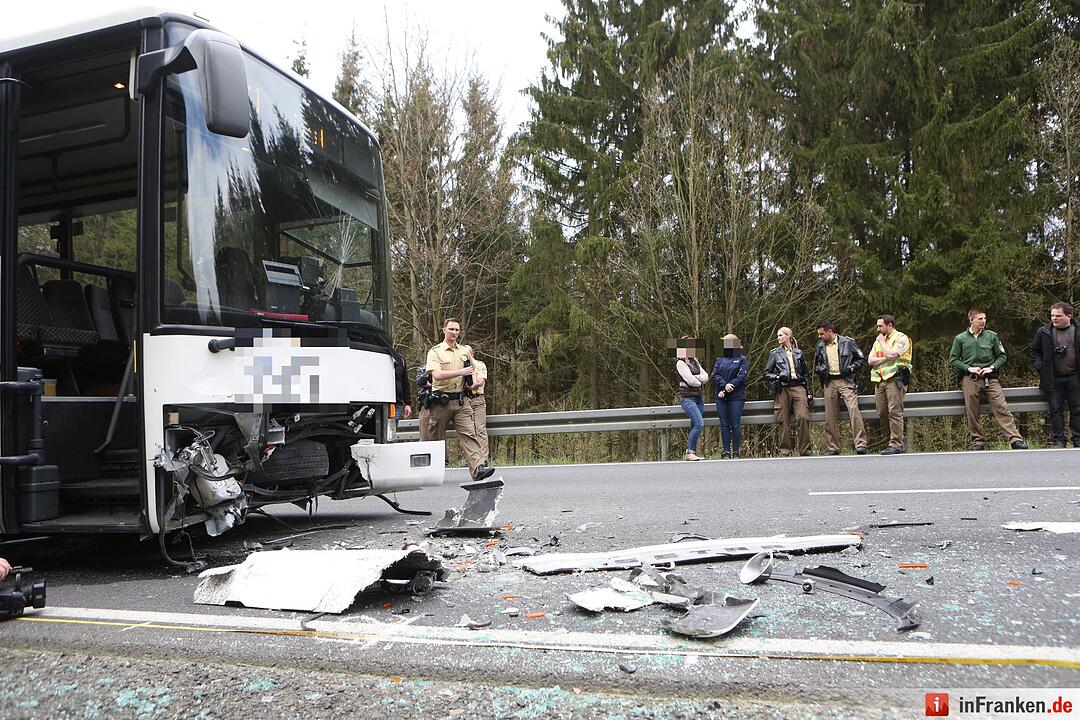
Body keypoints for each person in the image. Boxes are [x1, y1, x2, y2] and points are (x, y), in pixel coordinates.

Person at [425, 318, 495, 480]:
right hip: (441, 401)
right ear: (444, 330)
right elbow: (436, 375)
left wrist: (472, 383)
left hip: (461, 401)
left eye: (457, 330)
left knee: (469, 434)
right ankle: (431, 471)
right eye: (451, 329)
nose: (454, 333)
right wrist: (459, 373)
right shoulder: (435, 351)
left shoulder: (464, 350)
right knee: (436, 438)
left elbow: (473, 370)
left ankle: (478, 469)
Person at [949, 308, 1027, 450]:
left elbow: (1002, 356)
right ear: (971, 320)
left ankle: (1015, 439)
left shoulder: (992, 336)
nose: (983, 321)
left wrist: (992, 367)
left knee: (1001, 407)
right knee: (972, 410)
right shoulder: (960, 338)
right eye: (980, 319)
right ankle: (977, 440)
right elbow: (953, 359)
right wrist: (968, 368)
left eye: (984, 318)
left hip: (990, 377)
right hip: (970, 377)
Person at [1030, 301, 1080, 448]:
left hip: (1075, 376)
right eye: (1052, 315)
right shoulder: (1044, 332)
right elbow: (1034, 352)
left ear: (1069, 316)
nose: (1054, 318)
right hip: (1053, 377)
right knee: (1055, 409)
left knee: (1077, 408)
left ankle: (1077, 438)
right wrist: (1041, 368)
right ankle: (1059, 440)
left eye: (1058, 316)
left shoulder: (1077, 330)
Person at [814, 321, 867, 455]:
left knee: (853, 409)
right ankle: (833, 447)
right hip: (829, 381)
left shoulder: (847, 342)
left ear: (830, 331)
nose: (819, 336)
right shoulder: (819, 346)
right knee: (830, 415)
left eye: (821, 334)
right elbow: (817, 364)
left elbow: (861, 359)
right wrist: (820, 371)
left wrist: (851, 368)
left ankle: (860, 444)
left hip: (846, 380)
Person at [763, 327, 813, 456]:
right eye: (778, 335)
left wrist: (809, 391)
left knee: (803, 416)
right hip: (782, 387)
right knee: (782, 418)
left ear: (788, 336)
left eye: (781, 335)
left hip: (798, 386)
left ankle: (805, 449)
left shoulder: (799, 353)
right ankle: (785, 449)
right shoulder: (775, 353)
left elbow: (806, 374)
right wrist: (778, 377)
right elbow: (767, 373)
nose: (778, 338)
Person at [867, 314, 912, 455]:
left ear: (890, 325)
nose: (878, 329)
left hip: (895, 379)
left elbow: (894, 355)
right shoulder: (878, 341)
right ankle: (898, 439)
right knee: (882, 412)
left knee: (894, 411)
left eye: (880, 326)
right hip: (880, 380)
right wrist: (886, 356)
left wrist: (883, 346)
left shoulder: (902, 338)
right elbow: (870, 360)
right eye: (877, 325)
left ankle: (896, 444)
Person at [712, 333, 749, 459]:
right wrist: (724, 385)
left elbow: (742, 377)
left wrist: (730, 386)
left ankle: (736, 451)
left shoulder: (742, 359)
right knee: (724, 424)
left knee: (735, 424)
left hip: (736, 396)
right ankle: (726, 451)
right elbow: (715, 375)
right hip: (721, 396)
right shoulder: (720, 359)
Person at [675, 337, 709, 461]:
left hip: (698, 398)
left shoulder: (694, 360)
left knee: (695, 424)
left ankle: (691, 451)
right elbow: (691, 381)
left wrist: (697, 378)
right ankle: (689, 452)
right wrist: (698, 380)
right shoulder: (680, 363)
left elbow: (706, 377)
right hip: (688, 399)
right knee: (699, 424)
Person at [467, 351, 490, 462]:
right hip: (465, 401)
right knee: (468, 431)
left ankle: (483, 459)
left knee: (480, 429)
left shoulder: (480, 365)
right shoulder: (461, 367)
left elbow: (481, 381)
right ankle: (473, 460)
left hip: (477, 399)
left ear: (472, 353)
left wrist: (473, 385)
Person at [415, 365, 433, 442]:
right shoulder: (422, 368)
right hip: (426, 404)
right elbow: (419, 381)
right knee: (424, 436)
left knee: (439, 437)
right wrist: (428, 372)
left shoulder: (443, 367)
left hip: (441, 404)